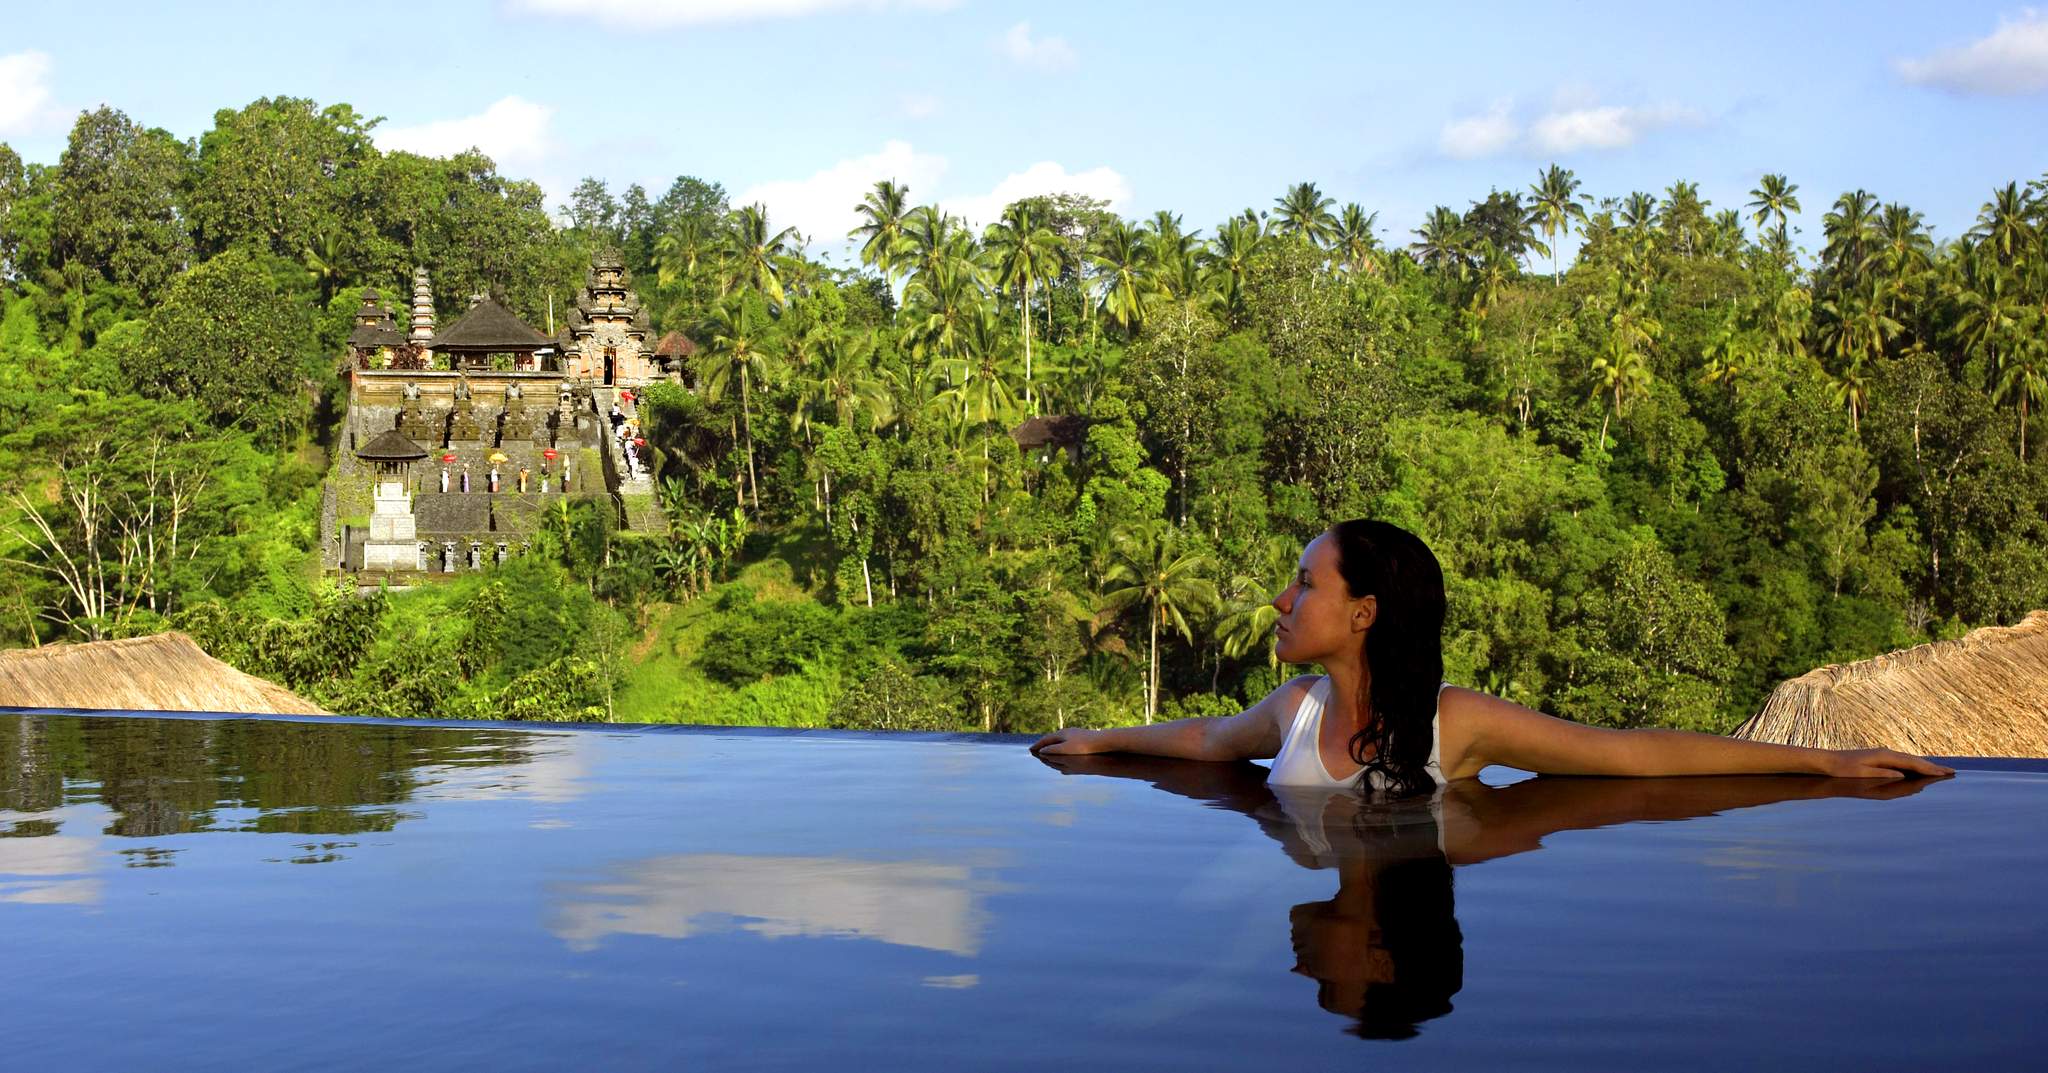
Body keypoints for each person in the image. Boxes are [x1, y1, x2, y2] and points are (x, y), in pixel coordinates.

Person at [1031, 520, 1954, 789]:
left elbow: (1629, 753)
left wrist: (1827, 762)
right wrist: (1100, 738)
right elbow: (1205, 740)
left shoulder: (1452, 722)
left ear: (1363, 613)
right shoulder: (1297, 708)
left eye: (1304, 583)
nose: (1281, 598)